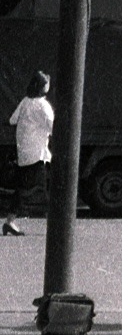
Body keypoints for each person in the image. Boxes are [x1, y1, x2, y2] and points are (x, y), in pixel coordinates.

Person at [4, 70, 53, 236]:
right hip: (37, 154)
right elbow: (54, 127)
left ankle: (10, 221)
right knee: (38, 189)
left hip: (24, 153)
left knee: (26, 188)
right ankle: (57, 224)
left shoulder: (25, 101)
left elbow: (12, 120)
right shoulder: (43, 106)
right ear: (43, 87)